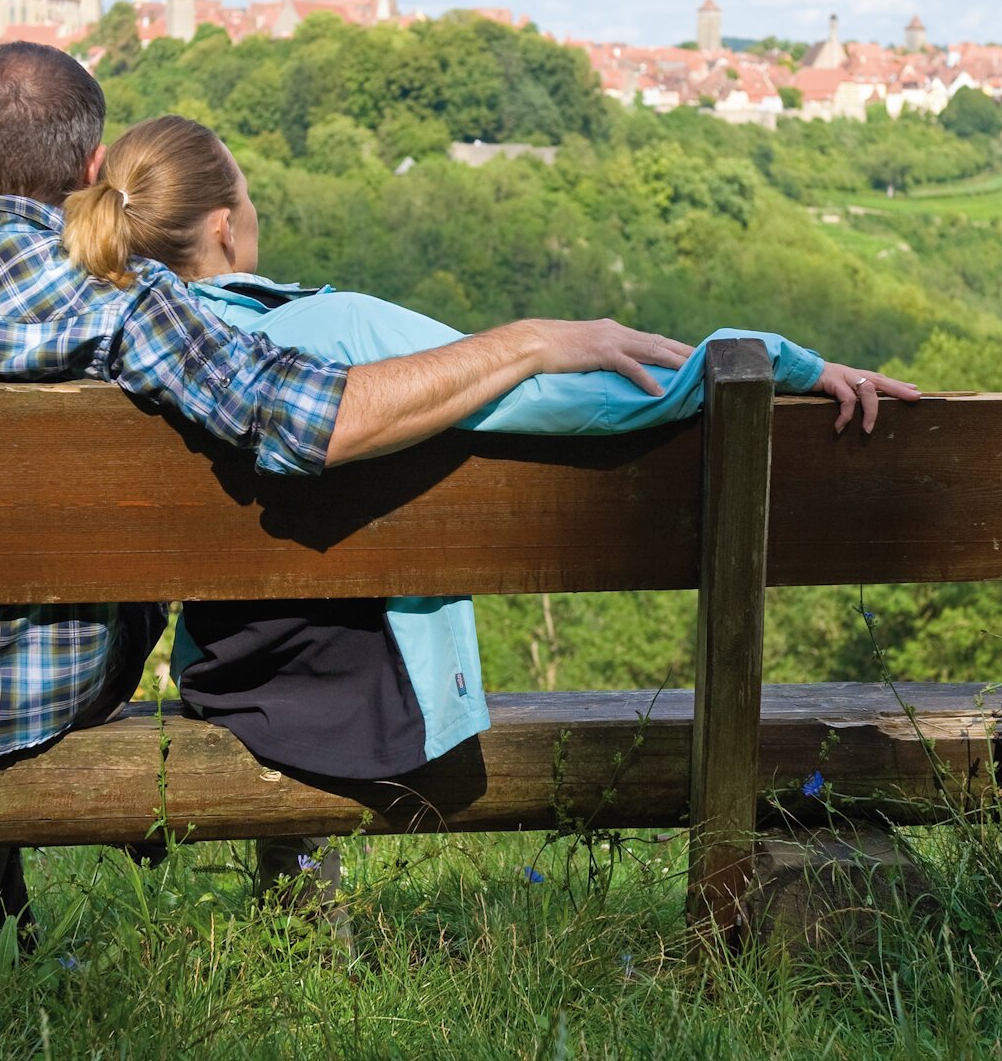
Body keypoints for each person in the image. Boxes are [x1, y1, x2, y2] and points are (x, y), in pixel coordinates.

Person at [0, 43, 706, 931]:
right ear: (93, 163)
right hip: (38, 693)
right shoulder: (116, 292)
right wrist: (530, 340)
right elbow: (309, 419)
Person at [52, 113, 916, 787]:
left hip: (224, 681)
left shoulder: (107, 347)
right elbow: (595, 404)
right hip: (364, 703)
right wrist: (782, 361)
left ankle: (298, 920)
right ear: (224, 228)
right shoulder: (346, 331)